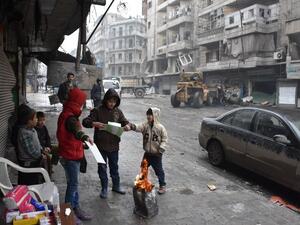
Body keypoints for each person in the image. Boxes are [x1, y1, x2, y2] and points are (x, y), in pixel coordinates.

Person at [82, 88, 131, 199]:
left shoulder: (118, 111)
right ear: (105, 100)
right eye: (110, 101)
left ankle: (116, 186)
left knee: (114, 167)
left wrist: (127, 125)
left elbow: (125, 122)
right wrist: (94, 123)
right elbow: (85, 122)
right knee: (102, 167)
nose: (112, 104)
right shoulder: (97, 110)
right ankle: (104, 188)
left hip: (114, 146)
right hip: (100, 146)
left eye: (114, 102)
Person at [57, 88, 93, 224]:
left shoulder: (67, 114)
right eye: (82, 102)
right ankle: (66, 216)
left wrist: (82, 145)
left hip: (70, 153)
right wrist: (85, 137)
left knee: (74, 184)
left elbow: (69, 136)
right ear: (77, 102)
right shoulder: (70, 118)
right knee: (72, 185)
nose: (83, 105)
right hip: (70, 157)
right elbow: (76, 131)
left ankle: (76, 208)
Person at [131, 107, 168, 194]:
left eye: (150, 114)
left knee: (159, 170)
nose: (148, 116)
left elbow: (164, 139)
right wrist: (132, 126)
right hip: (147, 153)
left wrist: (161, 149)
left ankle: (162, 185)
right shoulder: (145, 125)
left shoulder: (160, 128)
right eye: (147, 114)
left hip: (156, 154)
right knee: (144, 167)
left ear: (155, 115)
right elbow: (139, 127)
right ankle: (142, 182)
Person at [16, 105, 46, 185]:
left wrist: (41, 150)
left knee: (35, 180)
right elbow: (31, 151)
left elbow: (37, 143)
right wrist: (40, 156)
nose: (37, 120)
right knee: (29, 184)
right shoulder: (24, 133)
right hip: (28, 165)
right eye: (35, 118)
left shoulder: (32, 129)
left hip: (34, 162)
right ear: (29, 121)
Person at [34, 111, 52, 177]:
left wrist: (49, 146)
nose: (42, 122)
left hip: (46, 147)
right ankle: (48, 175)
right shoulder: (34, 129)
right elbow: (38, 142)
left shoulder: (44, 127)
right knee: (48, 157)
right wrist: (44, 148)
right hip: (41, 148)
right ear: (36, 120)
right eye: (40, 120)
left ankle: (53, 163)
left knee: (59, 148)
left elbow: (48, 138)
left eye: (44, 120)